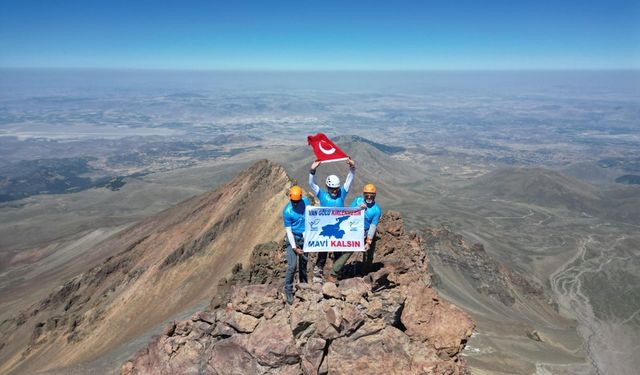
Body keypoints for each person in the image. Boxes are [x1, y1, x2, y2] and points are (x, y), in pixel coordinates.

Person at [308, 157, 355, 281]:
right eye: (332, 189)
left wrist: (352, 168)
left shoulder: (342, 193)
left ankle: (337, 273)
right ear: (327, 187)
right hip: (326, 229)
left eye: (336, 189)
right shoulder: (322, 195)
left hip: (338, 228)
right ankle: (318, 274)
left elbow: (349, 180)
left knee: (338, 252)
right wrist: (312, 171)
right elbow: (312, 184)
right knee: (322, 252)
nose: (334, 191)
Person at [282, 185, 310, 304]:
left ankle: (304, 286)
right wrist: (294, 248)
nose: (295, 204)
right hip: (292, 238)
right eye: (293, 201)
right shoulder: (287, 211)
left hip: (304, 238)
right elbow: (288, 231)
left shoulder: (306, 203)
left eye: (297, 201)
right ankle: (288, 290)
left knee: (303, 264)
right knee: (292, 266)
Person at [350, 183, 382, 275]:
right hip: (355, 231)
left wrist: (368, 242)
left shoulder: (376, 210)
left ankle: (366, 273)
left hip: (368, 232)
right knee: (348, 251)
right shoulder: (357, 201)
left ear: (374, 196)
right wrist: (358, 208)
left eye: (371, 195)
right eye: (367, 195)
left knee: (368, 255)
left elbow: (373, 226)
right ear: (363, 195)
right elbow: (347, 212)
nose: (369, 197)